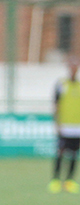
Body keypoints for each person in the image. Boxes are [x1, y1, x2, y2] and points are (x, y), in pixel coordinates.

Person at [50, 56, 80, 194]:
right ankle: (55, 180)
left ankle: (69, 181)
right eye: (72, 67)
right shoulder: (61, 84)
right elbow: (56, 104)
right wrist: (57, 122)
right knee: (60, 152)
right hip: (64, 125)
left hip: (77, 127)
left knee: (74, 154)